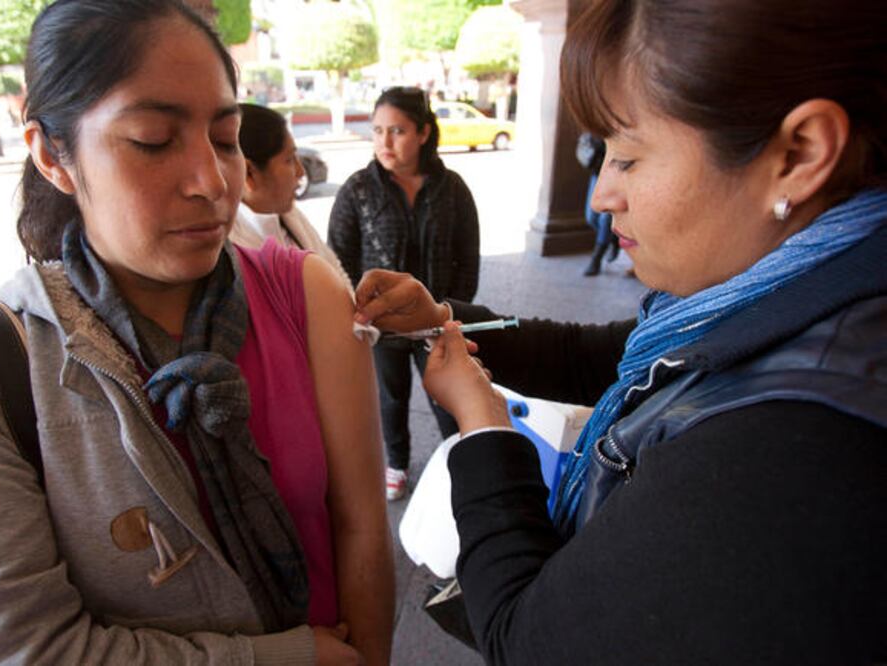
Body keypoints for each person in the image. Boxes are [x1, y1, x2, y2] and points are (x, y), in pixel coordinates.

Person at [352, 0, 887, 662]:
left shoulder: (792, 446)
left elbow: (527, 640)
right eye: (599, 152)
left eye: (628, 158)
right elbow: (602, 356)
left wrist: (482, 427)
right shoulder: (775, 297)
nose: (602, 194)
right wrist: (443, 319)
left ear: (799, 152)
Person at [0, 1, 393, 663]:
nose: (212, 182)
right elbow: (9, 647)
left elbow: (361, 530)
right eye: (151, 141)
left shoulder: (304, 295)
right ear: (54, 156)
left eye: (225, 139)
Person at [328, 86, 480, 501]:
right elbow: (338, 262)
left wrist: (452, 310)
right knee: (391, 400)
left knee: (447, 398)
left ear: (424, 133)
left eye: (397, 130)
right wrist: (363, 313)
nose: (385, 142)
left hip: (437, 319)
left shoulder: (452, 188)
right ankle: (397, 464)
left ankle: (459, 464)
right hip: (383, 326)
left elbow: (468, 257)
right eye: (377, 130)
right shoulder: (358, 190)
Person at [230, 103, 348, 286]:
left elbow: (336, 274)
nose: (301, 172)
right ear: (249, 173)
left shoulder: (289, 214)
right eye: (290, 160)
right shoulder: (229, 253)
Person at [575, 132, 619, 276]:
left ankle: (596, 258)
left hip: (616, 172)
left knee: (605, 218)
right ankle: (613, 238)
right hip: (597, 170)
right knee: (591, 217)